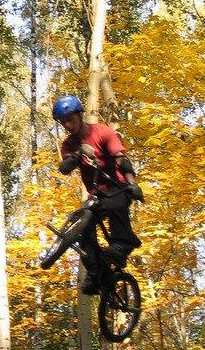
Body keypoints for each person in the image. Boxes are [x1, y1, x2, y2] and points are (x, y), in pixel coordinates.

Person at [52, 94, 143, 295]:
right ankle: (95, 271)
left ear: (79, 114)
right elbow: (65, 167)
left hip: (117, 186)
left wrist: (132, 184)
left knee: (115, 203)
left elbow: (121, 158)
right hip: (96, 193)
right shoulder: (69, 144)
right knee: (83, 226)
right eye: (63, 122)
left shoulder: (102, 131)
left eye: (70, 119)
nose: (67, 125)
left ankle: (123, 245)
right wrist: (79, 154)